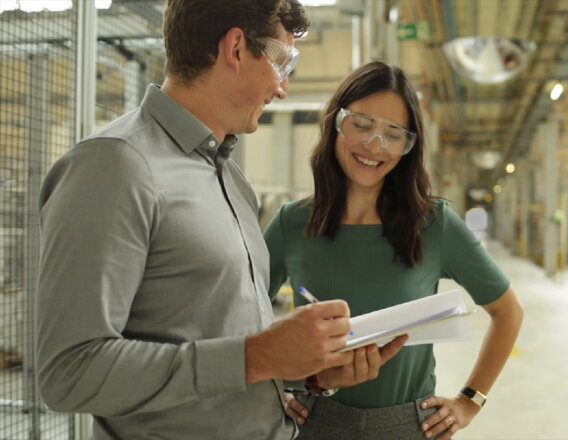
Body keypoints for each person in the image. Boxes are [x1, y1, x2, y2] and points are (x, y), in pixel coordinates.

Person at [36, 2, 404, 439]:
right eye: (281, 61)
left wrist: (307, 371)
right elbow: (70, 374)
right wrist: (257, 357)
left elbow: (219, 340)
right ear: (235, 48)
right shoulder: (114, 165)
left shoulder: (230, 178)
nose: (283, 87)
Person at [264, 61, 525, 440]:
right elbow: (241, 322)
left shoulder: (434, 224)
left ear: (408, 146)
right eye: (362, 124)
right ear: (337, 123)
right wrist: (279, 386)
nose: (374, 145)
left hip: (406, 426)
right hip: (313, 421)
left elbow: (508, 311)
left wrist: (470, 400)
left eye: (394, 133)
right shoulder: (292, 223)